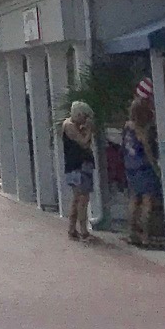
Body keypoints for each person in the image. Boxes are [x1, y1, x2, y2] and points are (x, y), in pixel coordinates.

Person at [124, 99, 163, 247]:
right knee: (147, 202)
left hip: (130, 166)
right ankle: (145, 236)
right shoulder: (141, 130)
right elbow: (147, 151)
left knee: (134, 199)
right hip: (144, 168)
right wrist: (156, 168)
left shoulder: (127, 126)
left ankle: (131, 233)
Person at [61, 101, 97, 242]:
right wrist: (89, 131)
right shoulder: (70, 126)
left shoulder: (74, 125)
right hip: (77, 166)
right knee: (82, 198)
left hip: (79, 166)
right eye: (84, 116)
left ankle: (72, 228)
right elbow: (83, 142)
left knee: (77, 198)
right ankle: (83, 230)